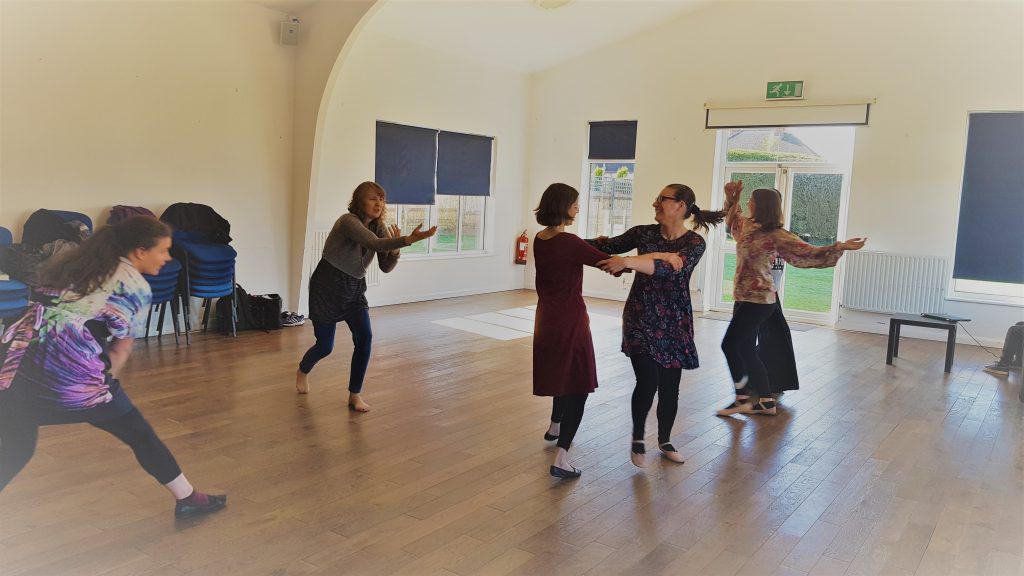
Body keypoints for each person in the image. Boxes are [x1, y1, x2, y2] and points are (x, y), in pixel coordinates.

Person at [0, 216, 226, 519]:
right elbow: (122, 347)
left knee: (17, 447)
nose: (168, 258)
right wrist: (106, 392)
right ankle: (188, 499)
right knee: (138, 432)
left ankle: (188, 497)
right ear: (140, 251)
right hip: (68, 372)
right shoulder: (131, 284)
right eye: (163, 250)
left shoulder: (76, 264)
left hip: (15, 362)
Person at [590, 184, 725, 467]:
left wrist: (629, 261)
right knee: (648, 380)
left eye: (661, 199)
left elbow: (669, 271)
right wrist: (565, 240)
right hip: (639, 316)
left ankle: (665, 439)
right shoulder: (644, 233)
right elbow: (605, 246)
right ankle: (638, 438)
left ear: (680, 206)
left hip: (674, 321)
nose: (655, 203)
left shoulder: (694, 244)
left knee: (669, 387)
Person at [534, 183, 659, 478]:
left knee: (560, 372)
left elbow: (586, 251)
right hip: (570, 319)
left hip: (546, 317)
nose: (578, 208)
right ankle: (562, 458)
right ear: (564, 206)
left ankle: (555, 424)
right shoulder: (569, 242)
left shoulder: (541, 238)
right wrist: (646, 262)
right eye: (575, 204)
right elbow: (608, 263)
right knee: (578, 383)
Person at [717, 182, 866, 416]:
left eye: (751, 200)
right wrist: (731, 197)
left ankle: (742, 398)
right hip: (744, 298)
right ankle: (765, 401)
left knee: (730, 344)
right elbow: (732, 220)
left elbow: (807, 252)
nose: (748, 203)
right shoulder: (748, 227)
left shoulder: (776, 235)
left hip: (759, 300)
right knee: (745, 348)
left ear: (761, 205)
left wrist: (841, 246)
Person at [296, 181, 436, 412]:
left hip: (354, 289)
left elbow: (385, 267)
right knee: (325, 346)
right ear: (359, 201)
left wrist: (397, 250)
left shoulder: (380, 227)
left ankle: (355, 395)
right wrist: (408, 240)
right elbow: (372, 243)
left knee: (365, 338)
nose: (379, 203)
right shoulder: (347, 221)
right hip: (327, 287)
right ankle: (303, 370)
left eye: (381, 199)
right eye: (373, 198)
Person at [757, 253, 799, 396]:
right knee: (774, 337)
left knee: (774, 337)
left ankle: (768, 382)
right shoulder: (761, 242)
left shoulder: (779, 243)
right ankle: (763, 382)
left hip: (771, 295)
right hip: (760, 295)